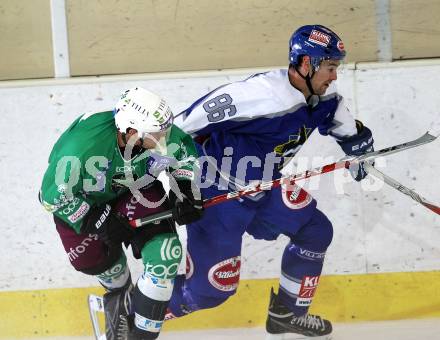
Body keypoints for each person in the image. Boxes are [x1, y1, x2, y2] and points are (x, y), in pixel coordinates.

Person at [166, 25, 374, 338]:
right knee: (211, 291)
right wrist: (181, 185)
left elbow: (338, 118)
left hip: (262, 186)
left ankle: (287, 313)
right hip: (215, 195)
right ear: (306, 64)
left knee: (315, 230)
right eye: (330, 67)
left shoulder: (323, 95)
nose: (334, 76)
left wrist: (357, 144)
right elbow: (176, 130)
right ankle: (129, 311)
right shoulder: (258, 97)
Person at [39, 87, 203, 339]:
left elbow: (182, 153)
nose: (164, 139)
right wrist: (97, 219)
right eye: (156, 134)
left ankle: (142, 335)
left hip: (134, 190)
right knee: (104, 268)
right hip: (86, 203)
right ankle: (121, 300)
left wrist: (185, 190)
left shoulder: (156, 133)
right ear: (130, 132)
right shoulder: (81, 149)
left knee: (165, 253)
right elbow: (49, 198)